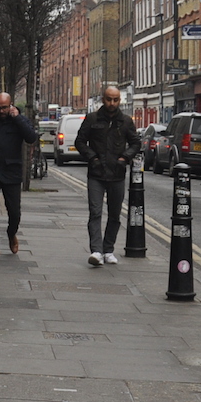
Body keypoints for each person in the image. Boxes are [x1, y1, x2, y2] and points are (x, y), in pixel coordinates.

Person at [74, 86, 141, 267]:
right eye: (109, 99)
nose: (112, 103)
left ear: (120, 100)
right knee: (95, 212)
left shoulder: (125, 121)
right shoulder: (92, 119)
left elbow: (136, 143)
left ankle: (108, 250)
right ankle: (96, 251)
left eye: (116, 100)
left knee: (114, 215)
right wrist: (92, 158)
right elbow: (80, 141)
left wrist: (124, 158)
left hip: (117, 174)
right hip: (96, 173)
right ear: (103, 99)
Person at [0, 92, 37, 259]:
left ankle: (11, 234)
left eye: (4, 107)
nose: (1, 111)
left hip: (11, 171)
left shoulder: (18, 120)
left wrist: (17, 118)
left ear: (10, 105)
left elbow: (31, 137)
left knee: (14, 212)